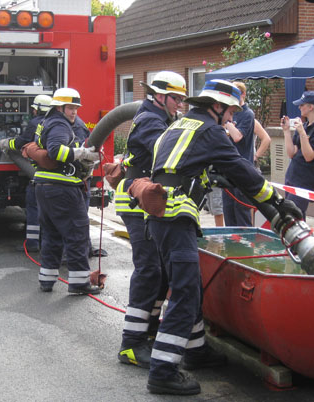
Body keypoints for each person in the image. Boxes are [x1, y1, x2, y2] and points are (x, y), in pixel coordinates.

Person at [145, 79, 303, 395]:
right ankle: (162, 371)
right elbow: (242, 170)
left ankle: (196, 349)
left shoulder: (178, 126)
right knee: (187, 292)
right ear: (216, 107)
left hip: (162, 217)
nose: (231, 117)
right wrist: (276, 199)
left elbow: (179, 166)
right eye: (230, 111)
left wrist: (207, 175)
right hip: (176, 220)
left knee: (190, 285)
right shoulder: (211, 131)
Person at [116, 71, 186, 367]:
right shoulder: (149, 121)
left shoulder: (161, 117)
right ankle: (131, 345)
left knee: (161, 272)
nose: (179, 104)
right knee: (149, 270)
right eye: (176, 99)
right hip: (136, 202)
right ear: (160, 96)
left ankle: (149, 331)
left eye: (182, 99)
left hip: (148, 202)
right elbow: (167, 152)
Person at [34, 87, 102, 294]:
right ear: (59, 107)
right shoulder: (59, 125)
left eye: (75, 108)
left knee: (52, 234)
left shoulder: (50, 122)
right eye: (70, 108)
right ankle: (80, 283)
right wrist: (81, 153)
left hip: (44, 187)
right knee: (77, 233)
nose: (74, 112)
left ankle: (46, 280)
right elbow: (55, 151)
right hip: (62, 188)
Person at [0, 94, 52, 252]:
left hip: (39, 175)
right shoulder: (58, 124)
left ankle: (32, 243)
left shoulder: (35, 122)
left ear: (36, 110)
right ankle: (47, 241)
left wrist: (7, 143)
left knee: (33, 203)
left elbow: (21, 142)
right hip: (56, 175)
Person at [222, 81, 271, 226]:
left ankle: (245, 244)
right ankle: (231, 243)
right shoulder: (228, 113)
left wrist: (226, 122)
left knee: (242, 211)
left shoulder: (247, 114)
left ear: (243, 94)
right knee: (228, 210)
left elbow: (237, 137)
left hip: (242, 169)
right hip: (227, 169)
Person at [280, 91, 314, 219]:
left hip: (306, 179)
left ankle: (300, 238)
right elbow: (291, 153)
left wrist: (302, 133)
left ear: (311, 107)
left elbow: (309, 156)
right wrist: (286, 131)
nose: (299, 107)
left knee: (292, 215)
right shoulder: (304, 126)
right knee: (296, 216)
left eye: (302, 105)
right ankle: (300, 238)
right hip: (293, 175)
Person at [72, 115, 108, 259]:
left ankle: (82, 250)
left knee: (79, 216)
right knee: (78, 216)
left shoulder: (77, 127)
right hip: (78, 180)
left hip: (80, 180)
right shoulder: (66, 124)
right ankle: (83, 249)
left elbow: (84, 158)